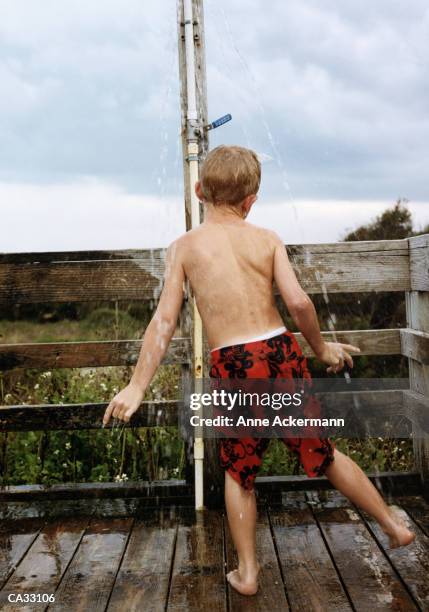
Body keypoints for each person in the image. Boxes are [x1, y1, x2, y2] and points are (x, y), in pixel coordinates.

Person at [103, 145, 415, 596]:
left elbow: (165, 321)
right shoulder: (267, 238)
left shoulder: (184, 248)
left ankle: (248, 574)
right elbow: (300, 303)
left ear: (198, 191)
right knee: (323, 453)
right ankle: (393, 524)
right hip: (280, 351)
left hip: (235, 365)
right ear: (252, 200)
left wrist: (137, 385)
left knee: (239, 471)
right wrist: (321, 348)